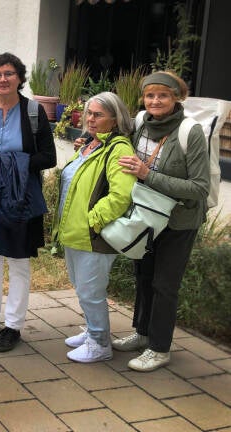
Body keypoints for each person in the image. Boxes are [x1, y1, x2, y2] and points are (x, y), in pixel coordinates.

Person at [111, 71, 210, 372]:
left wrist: (147, 174)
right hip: (147, 215)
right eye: (150, 95)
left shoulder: (189, 132)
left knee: (165, 285)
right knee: (143, 277)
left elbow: (199, 188)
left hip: (179, 221)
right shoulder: (141, 122)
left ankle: (159, 348)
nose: (155, 101)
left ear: (176, 97)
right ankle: (142, 334)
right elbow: (121, 149)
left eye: (163, 95)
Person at [0, 52, 56, 352]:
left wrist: (4, 162)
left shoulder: (33, 112)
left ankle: (14, 325)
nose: (2, 79)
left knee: (17, 260)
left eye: (8, 73)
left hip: (18, 199)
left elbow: (48, 157)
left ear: (19, 77)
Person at [53, 92, 136, 363]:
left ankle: (100, 344)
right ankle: (92, 331)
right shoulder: (90, 144)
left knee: (91, 291)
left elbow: (122, 195)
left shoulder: (119, 148)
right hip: (74, 232)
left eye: (98, 114)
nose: (90, 118)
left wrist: (93, 220)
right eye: (89, 113)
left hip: (93, 235)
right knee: (82, 288)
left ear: (115, 118)